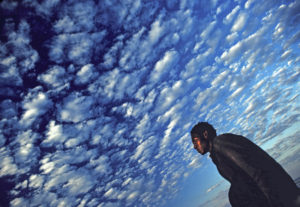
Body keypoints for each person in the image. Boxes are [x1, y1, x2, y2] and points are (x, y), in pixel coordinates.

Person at [190, 122, 300, 207]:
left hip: (283, 199)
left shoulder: (221, 142)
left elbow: (256, 171)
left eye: (195, 141)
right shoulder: (216, 156)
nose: (195, 146)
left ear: (205, 134)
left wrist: (276, 202)